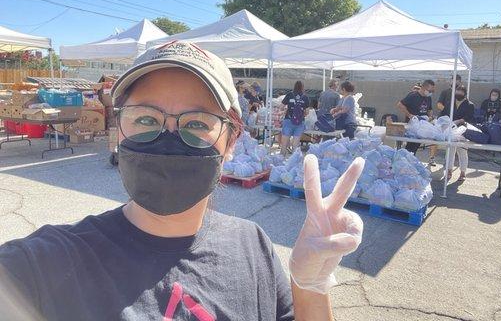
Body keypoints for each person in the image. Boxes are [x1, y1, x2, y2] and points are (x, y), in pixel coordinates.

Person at [0, 41, 365, 320]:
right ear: (117, 132)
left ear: (231, 143)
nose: (168, 137)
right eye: (145, 119)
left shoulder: (253, 247)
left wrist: (310, 287)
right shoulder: (44, 266)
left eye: (195, 124)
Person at [397, 79, 435, 154]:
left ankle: (409, 160)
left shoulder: (428, 98)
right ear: (424, 88)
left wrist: (430, 117)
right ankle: (405, 161)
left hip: (422, 126)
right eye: (430, 91)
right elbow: (400, 105)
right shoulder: (413, 95)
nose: (430, 93)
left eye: (432, 92)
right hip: (412, 127)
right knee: (411, 148)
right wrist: (409, 115)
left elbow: (430, 109)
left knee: (414, 148)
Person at [446, 85, 475, 181]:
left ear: (465, 93)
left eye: (460, 92)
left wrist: (459, 121)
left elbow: (469, 117)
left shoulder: (470, 105)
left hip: (463, 131)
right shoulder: (450, 103)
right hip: (450, 130)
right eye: (457, 91)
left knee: (462, 152)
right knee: (450, 152)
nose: (458, 93)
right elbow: (445, 114)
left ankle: (463, 172)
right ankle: (449, 170)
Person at [281, 81, 310, 156]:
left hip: (288, 120)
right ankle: (293, 162)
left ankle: (281, 162)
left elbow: (281, 107)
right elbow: (307, 112)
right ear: (302, 87)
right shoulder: (305, 97)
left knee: (284, 144)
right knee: (295, 144)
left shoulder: (289, 94)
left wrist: (286, 110)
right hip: (300, 122)